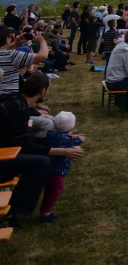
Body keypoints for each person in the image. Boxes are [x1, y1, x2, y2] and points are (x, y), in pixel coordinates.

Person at [0, 72, 84, 228]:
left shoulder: (17, 102)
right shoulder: (18, 108)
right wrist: (62, 151)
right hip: (4, 155)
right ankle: (12, 212)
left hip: (7, 148)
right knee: (41, 163)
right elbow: (25, 145)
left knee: (39, 160)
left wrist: (62, 140)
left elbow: (23, 140)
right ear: (42, 91)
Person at [38, 110, 85, 223]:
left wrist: (70, 137)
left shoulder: (50, 134)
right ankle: (46, 214)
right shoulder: (67, 140)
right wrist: (79, 140)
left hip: (47, 169)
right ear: (71, 125)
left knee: (48, 190)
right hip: (58, 172)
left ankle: (44, 210)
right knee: (55, 191)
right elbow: (71, 143)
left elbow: (62, 139)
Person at [0, 28, 49, 97]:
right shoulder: (12, 55)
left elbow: (3, 50)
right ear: (7, 39)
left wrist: (15, 43)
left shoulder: (10, 54)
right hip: (8, 97)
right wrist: (42, 41)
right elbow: (43, 56)